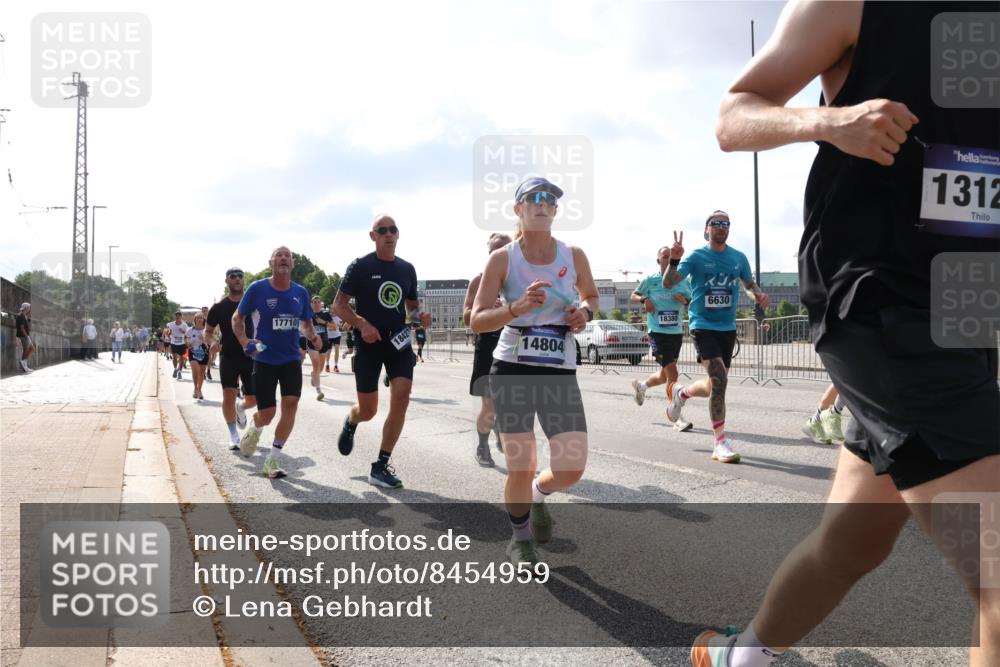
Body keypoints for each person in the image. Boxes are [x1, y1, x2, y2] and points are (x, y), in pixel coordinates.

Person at [691, 2, 1000, 666]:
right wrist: (829, 121)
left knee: (852, 541)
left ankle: (740, 656)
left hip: (967, 308)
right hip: (877, 297)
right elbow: (732, 114)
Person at [470, 176, 599, 568]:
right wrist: (515, 308)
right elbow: (477, 321)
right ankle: (520, 537)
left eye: (549, 200)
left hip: (559, 369)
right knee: (521, 463)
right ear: (518, 210)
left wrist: (585, 313)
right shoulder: (502, 259)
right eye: (533, 199)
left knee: (571, 469)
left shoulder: (573, 255)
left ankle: (540, 495)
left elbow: (591, 296)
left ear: (556, 211)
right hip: (512, 368)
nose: (542, 204)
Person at [333, 214, 432, 490]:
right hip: (368, 343)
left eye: (393, 230)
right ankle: (352, 419)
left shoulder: (407, 269)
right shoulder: (360, 266)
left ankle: (380, 465)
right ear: (373, 236)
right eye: (382, 230)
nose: (389, 234)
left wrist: (419, 316)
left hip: (398, 342)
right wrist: (362, 324)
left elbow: (411, 308)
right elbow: (338, 306)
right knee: (369, 410)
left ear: (398, 235)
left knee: (401, 397)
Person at [662, 213, 770, 464]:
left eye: (726, 224)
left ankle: (681, 394)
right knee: (720, 379)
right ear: (707, 229)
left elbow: (748, 283)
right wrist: (675, 260)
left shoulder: (738, 257)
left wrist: (759, 295)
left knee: (714, 385)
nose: (721, 227)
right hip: (703, 325)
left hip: (727, 327)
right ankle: (720, 441)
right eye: (716, 224)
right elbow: (669, 283)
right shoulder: (697, 257)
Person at [234, 247, 322, 479]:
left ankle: (272, 459)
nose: (284, 258)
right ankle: (256, 425)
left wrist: (313, 336)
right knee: (268, 413)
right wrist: (245, 341)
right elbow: (237, 318)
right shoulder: (257, 289)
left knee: (291, 404)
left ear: (292, 264)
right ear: (271, 262)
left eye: (288, 256)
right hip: (264, 358)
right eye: (279, 255)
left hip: (292, 358)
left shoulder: (300, 292)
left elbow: (305, 322)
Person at [630, 245, 694, 430]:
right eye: (665, 256)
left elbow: (691, 299)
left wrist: (685, 300)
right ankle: (676, 416)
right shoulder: (650, 280)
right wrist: (644, 299)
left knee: (665, 374)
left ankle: (641, 386)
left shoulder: (683, 280)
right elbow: (634, 295)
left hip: (675, 332)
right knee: (673, 372)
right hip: (657, 332)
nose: (668, 259)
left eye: (671, 256)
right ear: (659, 261)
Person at [463, 232, 513, 466]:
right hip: (488, 347)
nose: (500, 254)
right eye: (495, 250)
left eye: (505, 249)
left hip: (515, 346)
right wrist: (481, 310)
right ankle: (483, 445)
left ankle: (502, 430)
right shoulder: (479, 281)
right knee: (490, 405)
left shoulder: (520, 281)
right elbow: (466, 317)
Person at [207, 268, 258, 451]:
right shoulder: (219, 307)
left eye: (240, 276)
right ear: (226, 281)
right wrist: (212, 342)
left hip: (251, 356)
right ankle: (233, 435)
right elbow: (208, 331)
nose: (237, 279)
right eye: (233, 276)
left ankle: (241, 408)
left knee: (253, 400)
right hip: (228, 355)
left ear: (244, 280)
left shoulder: (254, 303)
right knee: (229, 393)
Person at [307, 296, 335, 400]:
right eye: (315, 302)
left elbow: (334, 327)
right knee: (316, 365)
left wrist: (323, 322)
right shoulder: (308, 314)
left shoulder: (325, 314)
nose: (317, 304)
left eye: (318, 302)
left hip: (324, 343)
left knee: (321, 369)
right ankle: (319, 391)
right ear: (311, 303)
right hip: (312, 343)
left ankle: (314, 375)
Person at [186, 313, 210, 400]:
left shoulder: (207, 330)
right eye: (198, 318)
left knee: (201, 373)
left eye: (201, 318)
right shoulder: (190, 330)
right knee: (195, 369)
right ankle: (195, 388)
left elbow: (212, 340)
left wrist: (205, 340)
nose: (199, 319)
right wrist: (188, 343)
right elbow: (186, 339)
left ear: (204, 320)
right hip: (193, 351)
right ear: (195, 319)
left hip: (204, 352)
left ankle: (199, 390)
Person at [166, 311, 190, 380]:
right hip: (173, 343)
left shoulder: (184, 325)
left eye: (178, 318)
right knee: (174, 357)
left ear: (181, 317)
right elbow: (168, 333)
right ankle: (175, 369)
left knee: (181, 358)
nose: (177, 319)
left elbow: (187, 334)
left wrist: (182, 331)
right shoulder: (171, 324)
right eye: (176, 318)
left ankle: (179, 371)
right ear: (175, 317)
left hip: (182, 343)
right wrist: (170, 335)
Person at [15, 303, 34, 372]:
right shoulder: (21, 316)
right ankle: (23, 365)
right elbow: (22, 328)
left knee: (30, 349)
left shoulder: (24, 315)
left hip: (25, 335)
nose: (29, 309)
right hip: (23, 335)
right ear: (25, 308)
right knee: (27, 349)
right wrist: (26, 336)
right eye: (28, 307)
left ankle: (24, 364)